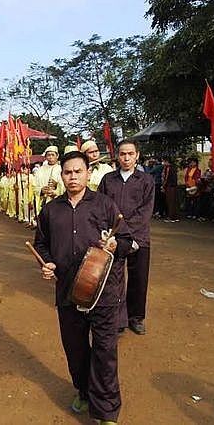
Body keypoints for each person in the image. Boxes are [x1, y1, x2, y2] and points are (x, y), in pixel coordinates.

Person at [34, 150, 132, 425]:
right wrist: (48, 263)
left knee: (105, 351)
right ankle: (84, 391)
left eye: (78, 171)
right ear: (61, 176)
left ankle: (107, 412)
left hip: (104, 292)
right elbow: (41, 243)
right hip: (68, 292)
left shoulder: (105, 205)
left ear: (88, 173)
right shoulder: (51, 210)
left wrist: (115, 245)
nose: (73, 176)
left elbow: (126, 241)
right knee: (75, 349)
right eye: (68, 172)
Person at [97, 140, 154, 335]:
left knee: (139, 279)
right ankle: (118, 319)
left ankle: (136, 317)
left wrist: (130, 237)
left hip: (139, 238)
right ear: (117, 156)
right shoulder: (107, 180)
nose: (126, 158)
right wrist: (113, 236)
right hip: (114, 239)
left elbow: (145, 212)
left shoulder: (146, 181)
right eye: (122, 154)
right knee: (114, 279)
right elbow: (101, 208)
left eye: (130, 153)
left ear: (137, 155)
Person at [33, 145, 64, 217]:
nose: (50, 157)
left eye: (53, 155)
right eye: (48, 155)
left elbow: (66, 186)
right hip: (43, 201)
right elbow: (34, 186)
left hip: (57, 202)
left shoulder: (62, 169)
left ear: (57, 156)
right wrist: (41, 190)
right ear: (46, 157)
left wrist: (56, 188)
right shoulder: (40, 170)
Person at [161, 158, 179, 222]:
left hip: (170, 186)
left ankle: (171, 217)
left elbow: (166, 178)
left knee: (170, 202)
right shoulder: (173, 168)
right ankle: (175, 216)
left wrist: (163, 186)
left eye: (164, 161)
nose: (163, 163)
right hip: (173, 186)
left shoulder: (168, 168)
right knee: (174, 202)